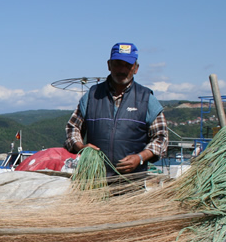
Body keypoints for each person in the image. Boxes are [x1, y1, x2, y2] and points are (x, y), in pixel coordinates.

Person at [64, 42, 168, 177]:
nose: (122, 70)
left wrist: (140, 158)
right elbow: (73, 128)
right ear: (109, 65)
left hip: (132, 183)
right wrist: (81, 147)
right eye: (118, 64)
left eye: (128, 66)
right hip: (95, 181)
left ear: (136, 68)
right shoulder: (92, 96)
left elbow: (161, 138)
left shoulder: (146, 98)